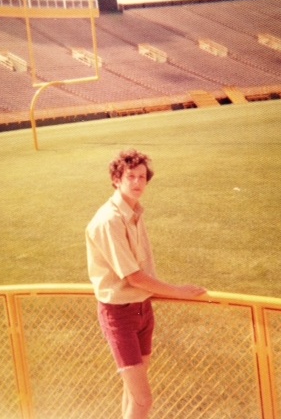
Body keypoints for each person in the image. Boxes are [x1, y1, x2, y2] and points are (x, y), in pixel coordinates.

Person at [85, 149, 206, 419]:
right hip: (120, 314)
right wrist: (179, 292)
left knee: (132, 395)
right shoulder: (110, 220)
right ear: (117, 179)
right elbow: (134, 276)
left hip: (143, 310)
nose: (138, 183)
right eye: (131, 176)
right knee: (143, 400)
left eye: (142, 177)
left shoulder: (134, 213)